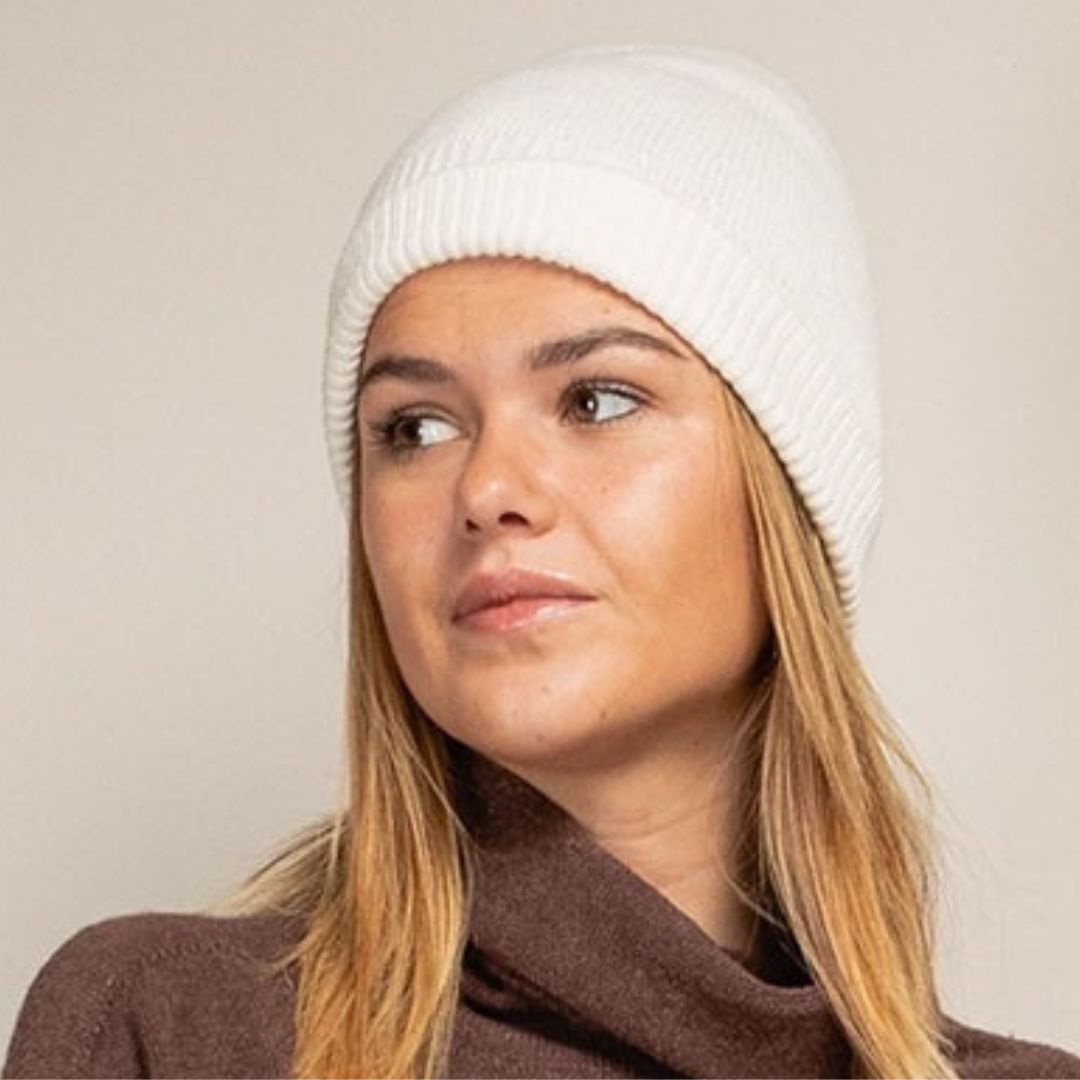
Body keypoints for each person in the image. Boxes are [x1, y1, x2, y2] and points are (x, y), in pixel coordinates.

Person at [4, 43, 1079, 1080]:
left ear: (788, 488)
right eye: (416, 427)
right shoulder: (170, 1030)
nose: (485, 489)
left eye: (597, 400)